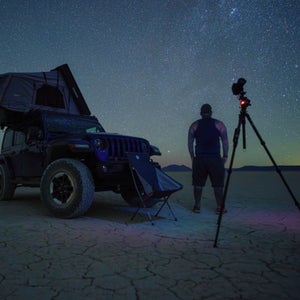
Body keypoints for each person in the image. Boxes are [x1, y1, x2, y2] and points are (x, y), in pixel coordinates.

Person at [188, 104, 229, 214]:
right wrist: (225, 156)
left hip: (200, 158)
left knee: (198, 185)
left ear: (201, 113)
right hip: (215, 158)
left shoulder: (194, 125)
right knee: (218, 185)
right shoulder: (219, 124)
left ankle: (197, 206)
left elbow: (190, 143)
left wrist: (193, 157)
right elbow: (225, 142)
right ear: (211, 112)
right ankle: (220, 207)